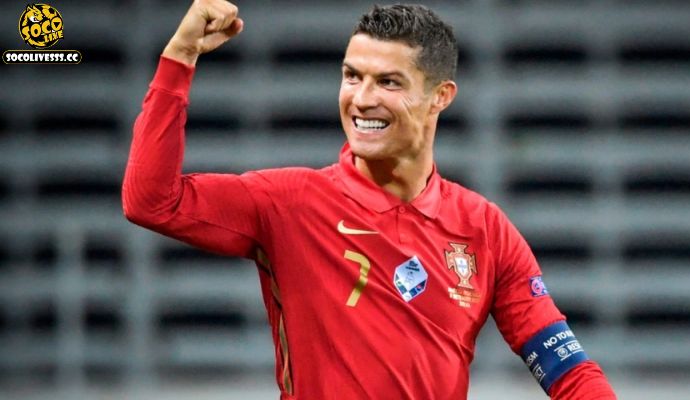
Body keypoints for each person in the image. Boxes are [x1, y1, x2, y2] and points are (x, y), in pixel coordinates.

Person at [122, 1, 617, 399]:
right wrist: (180, 57)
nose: (361, 99)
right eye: (352, 75)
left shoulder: (484, 229)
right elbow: (150, 202)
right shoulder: (288, 203)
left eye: (388, 82)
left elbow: (564, 367)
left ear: (441, 96)